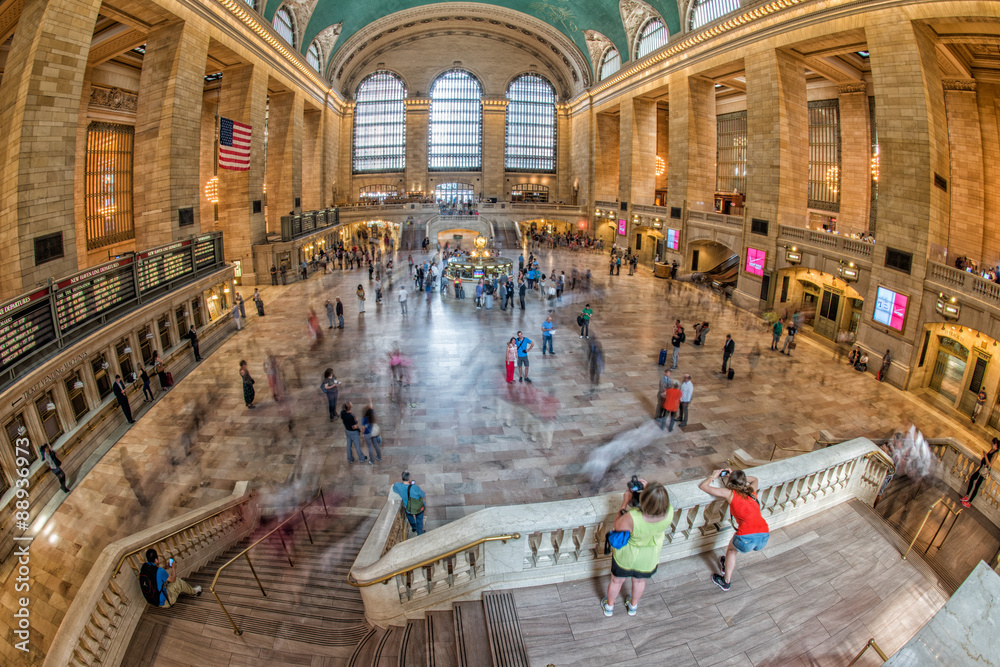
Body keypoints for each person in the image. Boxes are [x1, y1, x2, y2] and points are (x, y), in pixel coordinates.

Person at [602, 478, 673, 617]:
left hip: (627, 557)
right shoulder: (669, 511)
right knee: (639, 581)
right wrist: (650, 491)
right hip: (648, 558)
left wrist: (624, 502)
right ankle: (633, 606)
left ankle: (609, 607)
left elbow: (617, 525)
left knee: (616, 581)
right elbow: (660, 503)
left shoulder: (633, 516)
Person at [699, 468, 770, 592]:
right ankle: (726, 564)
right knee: (733, 547)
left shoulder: (730, 493)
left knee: (732, 551)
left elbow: (703, 486)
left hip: (746, 537)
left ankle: (725, 581)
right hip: (764, 536)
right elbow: (755, 479)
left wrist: (713, 475)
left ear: (730, 483)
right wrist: (737, 477)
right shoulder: (751, 492)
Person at [961, 438, 999, 507]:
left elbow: (989, 464)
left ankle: (969, 502)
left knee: (977, 486)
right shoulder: (992, 450)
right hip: (981, 468)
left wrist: (985, 455)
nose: (991, 445)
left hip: (984, 471)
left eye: (992, 444)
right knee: (972, 478)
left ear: (995, 444)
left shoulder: (995, 453)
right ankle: (966, 495)